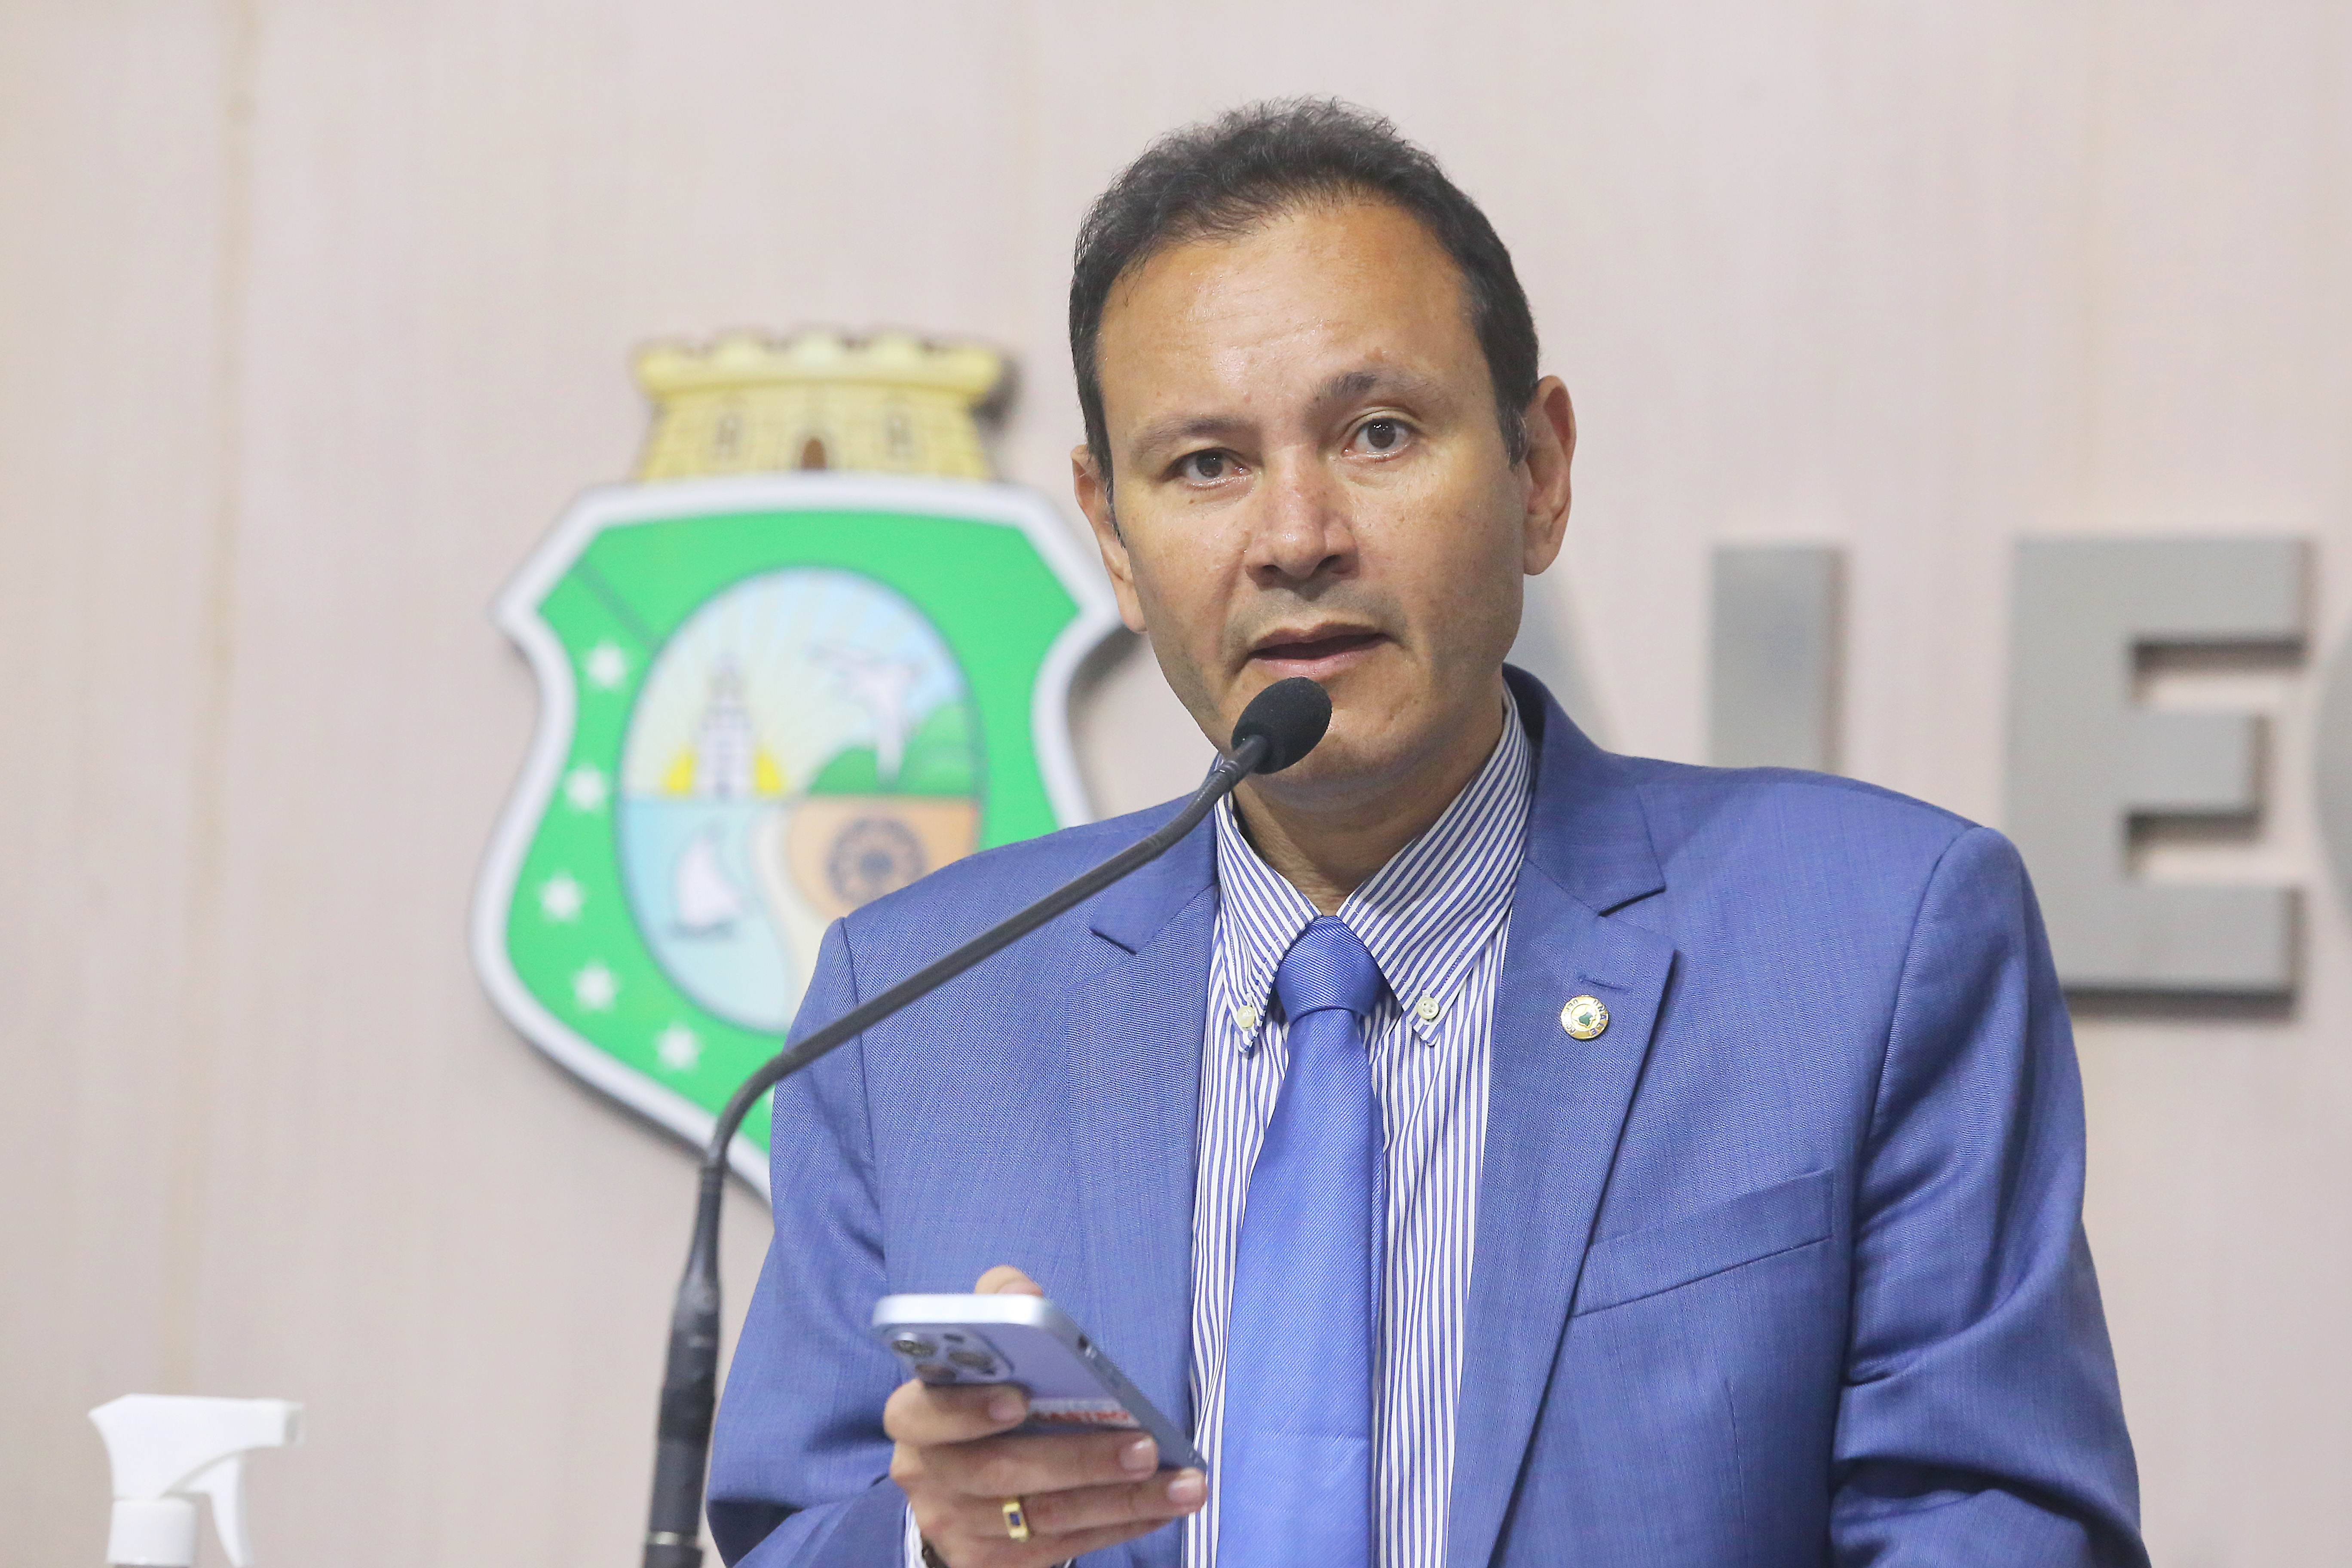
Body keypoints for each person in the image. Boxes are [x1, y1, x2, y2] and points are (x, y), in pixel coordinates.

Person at [707, 100, 2145, 1568]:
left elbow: (1996, 1531)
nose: (1295, 536)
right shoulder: (915, 1008)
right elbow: (787, 1533)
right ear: (1113, 536)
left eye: (1378, 434)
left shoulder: (1872, 945)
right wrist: (934, 1546)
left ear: (1541, 471)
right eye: (1204, 464)